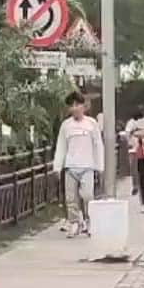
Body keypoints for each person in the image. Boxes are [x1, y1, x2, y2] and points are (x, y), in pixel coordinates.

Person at [53, 92, 104, 237]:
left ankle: (89, 221)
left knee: (88, 196)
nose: (75, 108)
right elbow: (61, 146)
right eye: (72, 106)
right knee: (71, 198)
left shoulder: (91, 124)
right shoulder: (66, 125)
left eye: (77, 105)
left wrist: (99, 166)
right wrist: (57, 166)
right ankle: (75, 222)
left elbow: (98, 145)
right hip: (71, 167)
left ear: (83, 106)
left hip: (87, 166)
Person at [124, 108, 144, 197]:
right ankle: (137, 185)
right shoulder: (132, 123)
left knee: (135, 169)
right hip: (136, 148)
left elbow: (127, 134)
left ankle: (137, 185)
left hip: (139, 148)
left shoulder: (132, 123)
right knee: (135, 169)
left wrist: (129, 141)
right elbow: (127, 133)